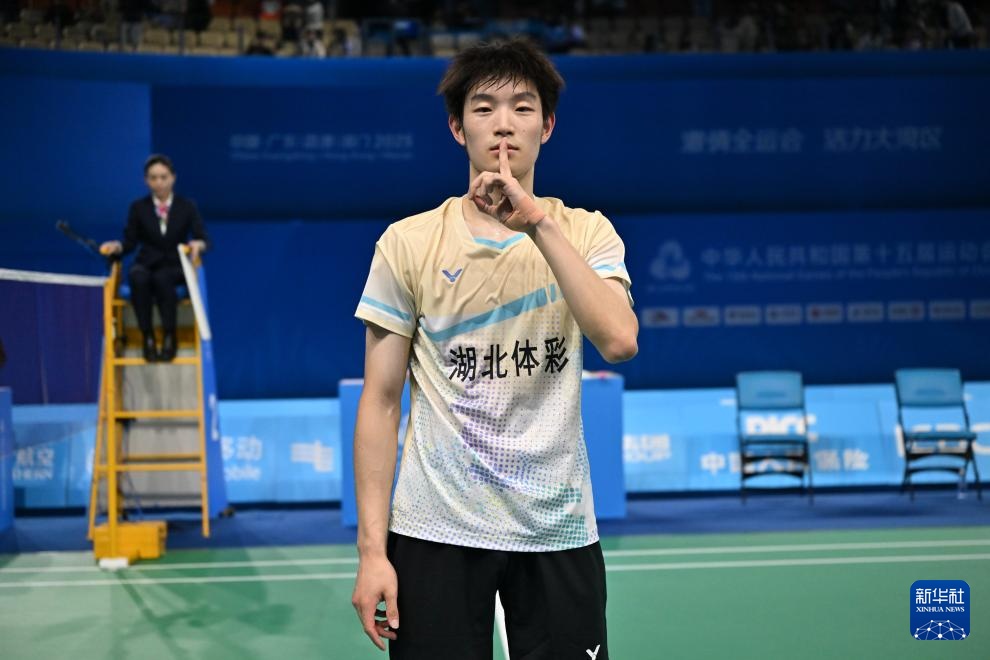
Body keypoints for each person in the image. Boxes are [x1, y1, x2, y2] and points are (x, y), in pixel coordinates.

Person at [350, 37, 637, 659]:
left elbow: (619, 339)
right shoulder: (407, 243)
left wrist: (537, 224)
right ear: (458, 128)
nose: (504, 124)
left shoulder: (586, 232)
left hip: (556, 527)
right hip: (436, 529)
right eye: (484, 108)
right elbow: (380, 400)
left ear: (547, 126)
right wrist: (372, 552)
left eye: (522, 107)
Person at [100, 155, 209, 363]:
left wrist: (198, 244)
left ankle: (169, 336)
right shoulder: (138, 208)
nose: (159, 182)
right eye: (153, 178)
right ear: (146, 180)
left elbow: (204, 239)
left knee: (162, 278)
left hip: (175, 266)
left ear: (173, 178)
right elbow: (130, 242)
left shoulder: (187, 206)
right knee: (137, 276)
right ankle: (147, 337)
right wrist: (117, 247)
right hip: (147, 262)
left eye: (163, 177)